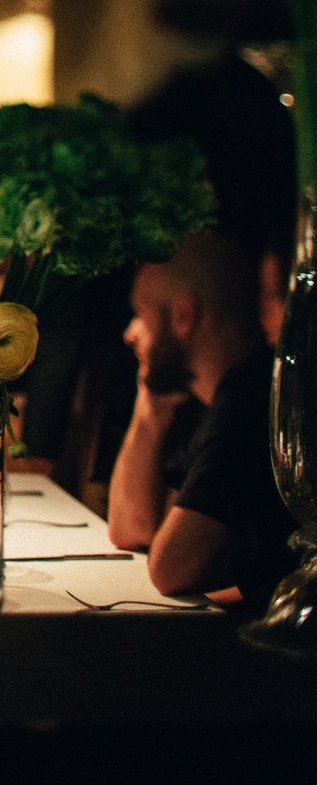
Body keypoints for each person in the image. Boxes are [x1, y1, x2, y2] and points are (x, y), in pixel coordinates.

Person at [107, 231, 298, 607]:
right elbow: (132, 529)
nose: (130, 333)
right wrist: (150, 407)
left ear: (184, 316)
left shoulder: (251, 397)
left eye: (142, 314)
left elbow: (171, 569)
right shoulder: (201, 402)